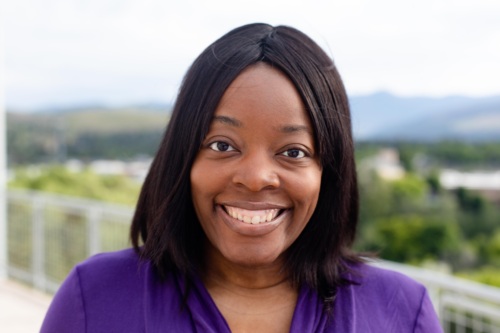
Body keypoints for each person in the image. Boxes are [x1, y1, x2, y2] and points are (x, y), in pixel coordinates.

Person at [41, 23, 443, 332]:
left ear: (329, 171)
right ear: (183, 156)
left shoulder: (401, 312)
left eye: (293, 152)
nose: (255, 178)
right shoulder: (93, 299)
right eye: (222, 145)